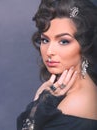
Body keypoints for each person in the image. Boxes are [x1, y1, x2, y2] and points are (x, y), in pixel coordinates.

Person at [17, 0, 97, 130]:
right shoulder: (63, 94)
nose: (49, 52)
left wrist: (37, 108)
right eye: (45, 40)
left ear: (85, 45)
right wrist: (40, 100)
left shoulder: (75, 103)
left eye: (64, 41)